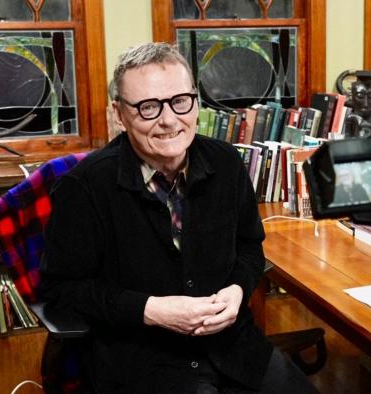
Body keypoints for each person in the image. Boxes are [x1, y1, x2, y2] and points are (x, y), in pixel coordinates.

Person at [40, 42, 315, 393]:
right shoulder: (84, 187)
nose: (169, 120)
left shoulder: (227, 163)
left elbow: (249, 248)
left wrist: (237, 290)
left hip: (234, 350)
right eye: (148, 107)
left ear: (196, 103)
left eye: (180, 101)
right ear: (119, 115)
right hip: (143, 364)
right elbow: (62, 290)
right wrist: (150, 309)